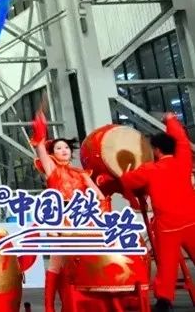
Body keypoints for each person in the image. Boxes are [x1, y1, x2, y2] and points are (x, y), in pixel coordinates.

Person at [28, 110, 108, 312]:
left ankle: (78, 304)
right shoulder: (52, 170)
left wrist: (99, 216)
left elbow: (99, 196)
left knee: (80, 263)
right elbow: (40, 148)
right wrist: (40, 130)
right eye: (58, 148)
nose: (63, 150)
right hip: (60, 221)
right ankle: (49, 306)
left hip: (81, 221)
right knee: (57, 262)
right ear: (53, 153)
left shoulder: (82, 174)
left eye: (66, 147)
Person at [120, 113, 195, 312]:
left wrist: (126, 171)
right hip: (191, 220)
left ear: (157, 150)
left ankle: (164, 301)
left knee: (167, 265)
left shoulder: (150, 170)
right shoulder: (184, 161)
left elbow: (127, 180)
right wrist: (170, 120)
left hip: (168, 226)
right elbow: (182, 141)